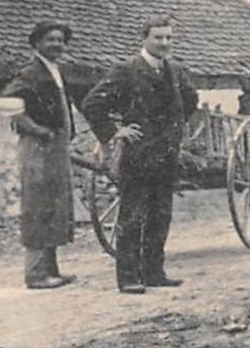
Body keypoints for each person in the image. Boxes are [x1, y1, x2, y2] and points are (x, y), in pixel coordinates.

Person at [80, 17, 199, 295]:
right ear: (144, 38)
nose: (165, 43)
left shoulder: (177, 71)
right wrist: (115, 131)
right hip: (138, 155)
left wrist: (174, 130)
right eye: (159, 37)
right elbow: (92, 103)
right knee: (133, 216)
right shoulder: (126, 70)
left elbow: (191, 101)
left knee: (161, 214)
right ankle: (128, 277)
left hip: (167, 155)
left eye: (169, 37)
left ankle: (155, 273)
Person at [0, 20, 89, 289]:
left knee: (55, 205)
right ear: (36, 43)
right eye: (50, 40)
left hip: (56, 147)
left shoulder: (54, 71)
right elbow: (6, 104)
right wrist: (37, 130)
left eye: (60, 40)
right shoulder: (30, 73)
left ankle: (52, 270)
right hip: (38, 148)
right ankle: (36, 274)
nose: (56, 45)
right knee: (39, 204)